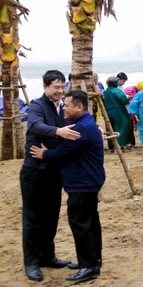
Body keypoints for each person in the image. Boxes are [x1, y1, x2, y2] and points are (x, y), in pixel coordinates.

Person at [30, 90, 105, 283]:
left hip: (82, 183)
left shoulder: (81, 129)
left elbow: (61, 152)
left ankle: (88, 265)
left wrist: (44, 153)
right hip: (89, 181)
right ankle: (94, 260)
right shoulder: (85, 124)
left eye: (67, 105)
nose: (64, 107)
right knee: (90, 221)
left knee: (80, 223)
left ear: (79, 107)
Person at [20, 70, 78, 282]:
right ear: (45, 87)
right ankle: (32, 261)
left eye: (63, 87)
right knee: (33, 217)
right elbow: (34, 125)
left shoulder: (62, 106)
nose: (60, 91)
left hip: (54, 169)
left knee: (51, 215)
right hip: (34, 171)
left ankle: (47, 256)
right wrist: (58, 132)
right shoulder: (37, 105)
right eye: (56, 87)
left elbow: (74, 125)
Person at [103, 76, 135, 152]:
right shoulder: (117, 91)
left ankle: (111, 146)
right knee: (121, 127)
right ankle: (119, 146)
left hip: (108, 113)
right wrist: (128, 98)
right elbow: (125, 100)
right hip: (119, 112)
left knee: (110, 128)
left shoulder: (105, 92)